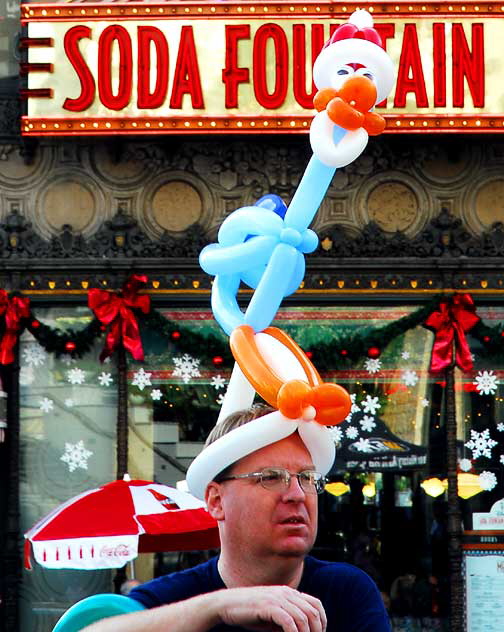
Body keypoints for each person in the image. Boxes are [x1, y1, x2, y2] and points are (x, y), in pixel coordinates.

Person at [83, 405, 390, 631]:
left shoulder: (346, 591)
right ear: (216, 501)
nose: (297, 494)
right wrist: (220, 606)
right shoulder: (170, 599)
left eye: (307, 478)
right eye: (271, 477)